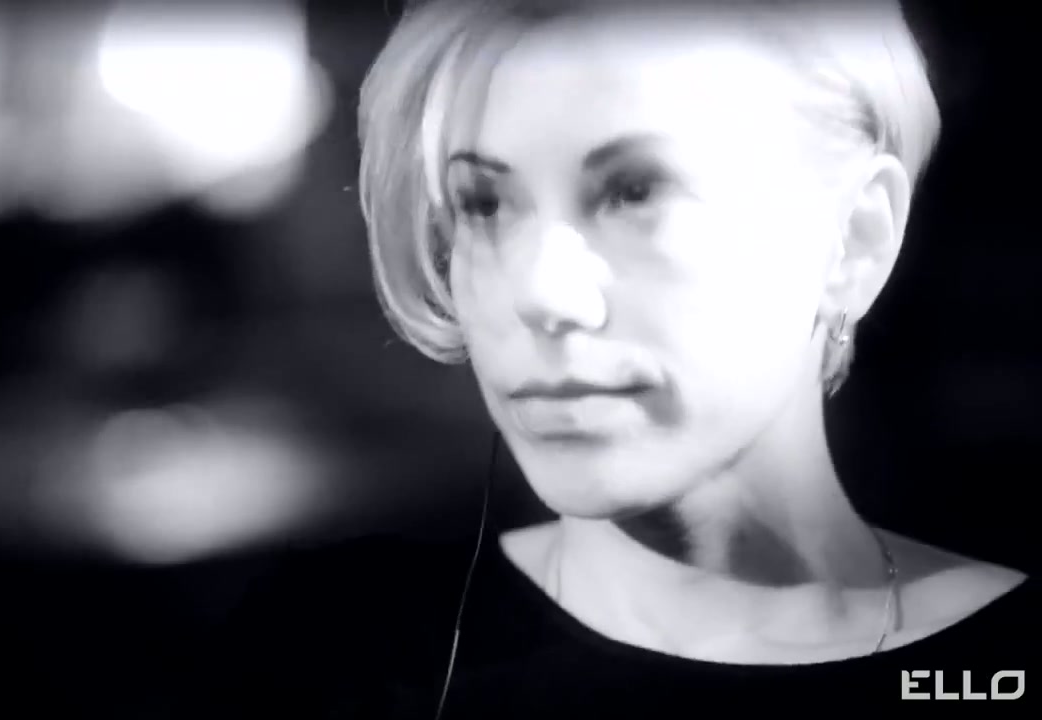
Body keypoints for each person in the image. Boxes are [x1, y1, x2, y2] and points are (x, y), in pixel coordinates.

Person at [208, 0, 1036, 716]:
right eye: (484, 203)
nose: (541, 294)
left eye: (636, 191)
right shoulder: (328, 660)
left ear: (853, 239)